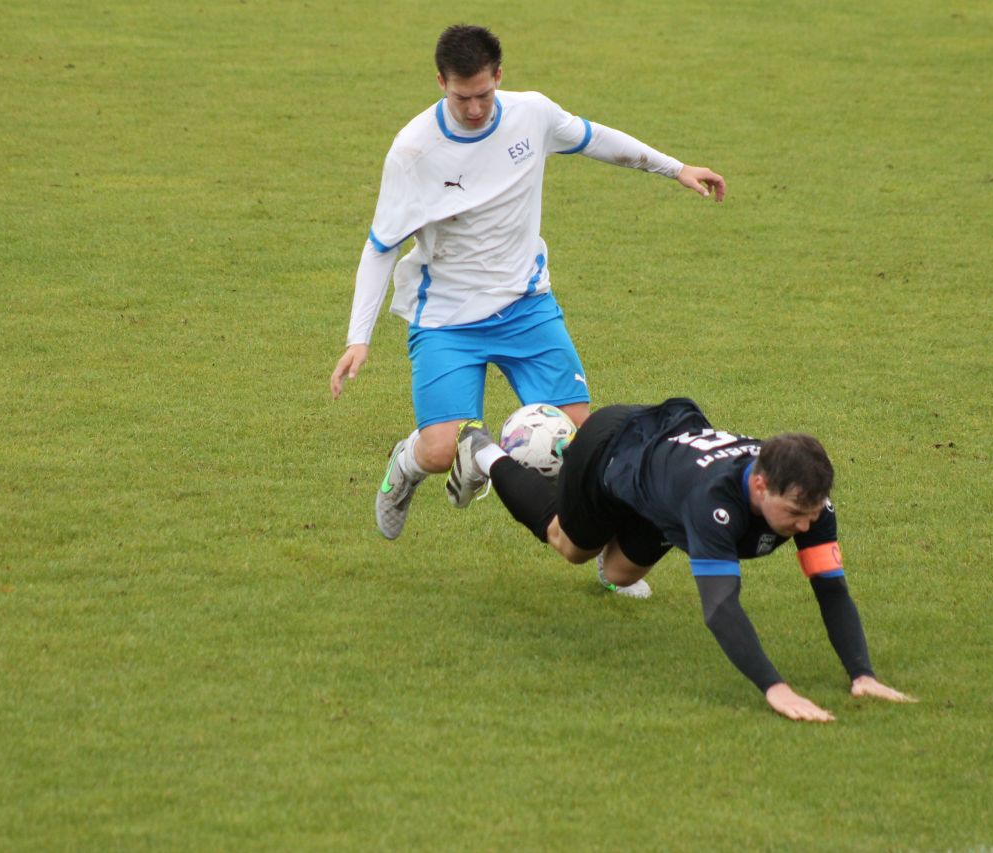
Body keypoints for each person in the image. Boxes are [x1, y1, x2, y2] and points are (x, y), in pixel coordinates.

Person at [328, 24, 726, 540]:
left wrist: (675, 169)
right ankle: (406, 464)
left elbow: (595, 139)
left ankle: (613, 558)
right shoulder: (413, 152)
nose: (474, 108)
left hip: (526, 307)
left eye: (483, 94)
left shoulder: (531, 114)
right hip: (448, 319)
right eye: (460, 97)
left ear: (499, 75)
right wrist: (358, 338)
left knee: (583, 446)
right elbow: (381, 247)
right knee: (441, 449)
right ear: (440, 83)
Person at [448, 398, 917, 722]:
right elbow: (720, 608)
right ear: (759, 486)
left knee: (616, 574)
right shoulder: (712, 503)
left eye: (810, 515)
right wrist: (777, 688)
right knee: (572, 547)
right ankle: (482, 452)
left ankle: (632, 519)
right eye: (794, 515)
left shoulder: (808, 500)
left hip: (664, 471)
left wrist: (862, 674)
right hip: (607, 450)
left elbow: (831, 586)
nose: (803, 526)